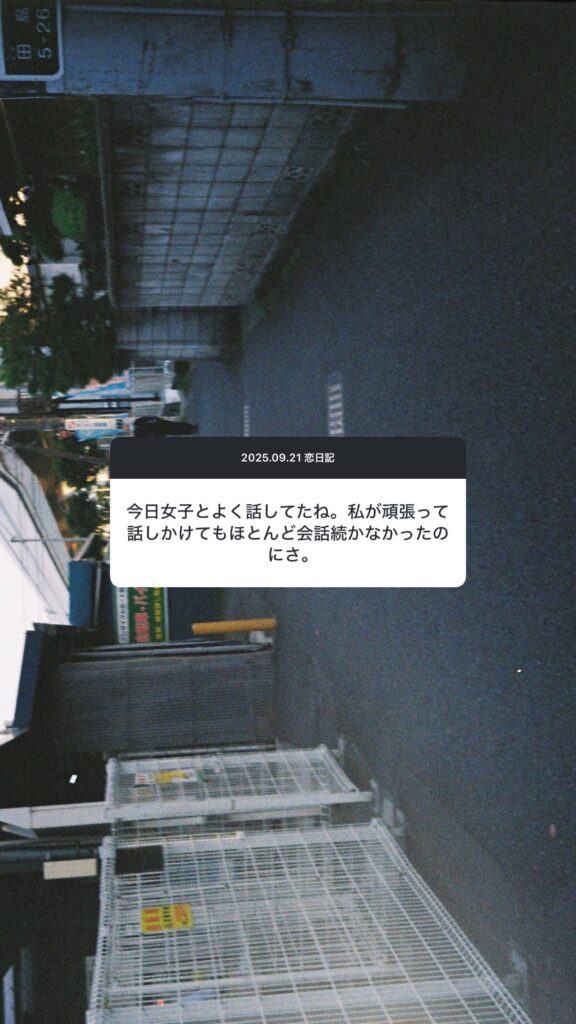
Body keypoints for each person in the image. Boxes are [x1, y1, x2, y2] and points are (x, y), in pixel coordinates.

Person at [132, 416, 198, 437]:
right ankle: (190, 428)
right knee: (175, 426)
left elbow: (147, 418)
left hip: (159, 429)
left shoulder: (137, 425)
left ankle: (190, 430)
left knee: (175, 430)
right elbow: (148, 418)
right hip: (158, 426)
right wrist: (156, 418)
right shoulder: (137, 423)